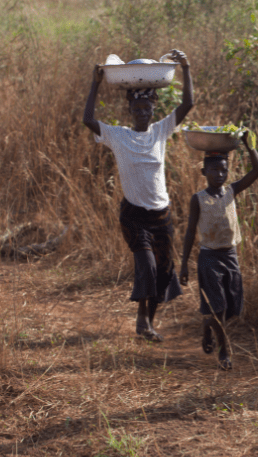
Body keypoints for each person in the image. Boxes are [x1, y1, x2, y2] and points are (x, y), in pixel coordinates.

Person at [83, 49, 194, 342]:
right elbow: (88, 119)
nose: (143, 113)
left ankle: (147, 322)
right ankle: (143, 321)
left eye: (147, 109)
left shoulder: (160, 131)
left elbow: (188, 103)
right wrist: (95, 83)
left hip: (162, 214)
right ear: (130, 111)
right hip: (134, 215)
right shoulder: (118, 136)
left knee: (163, 270)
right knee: (146, 264)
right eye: (138, 109)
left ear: (153, 111)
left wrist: (186, 67)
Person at [178, 134, 258, 371]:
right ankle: (225, 349)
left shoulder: (231, 191)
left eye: (224, 170)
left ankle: (208, 326)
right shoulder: (199, 199)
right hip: (209, 258)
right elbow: (189, 232)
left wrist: (249, 144)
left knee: (233, 309)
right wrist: (184, 264)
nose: (220, 175)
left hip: (230, 256)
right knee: (219, 307)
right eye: (214, 170)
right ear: (204, 172)